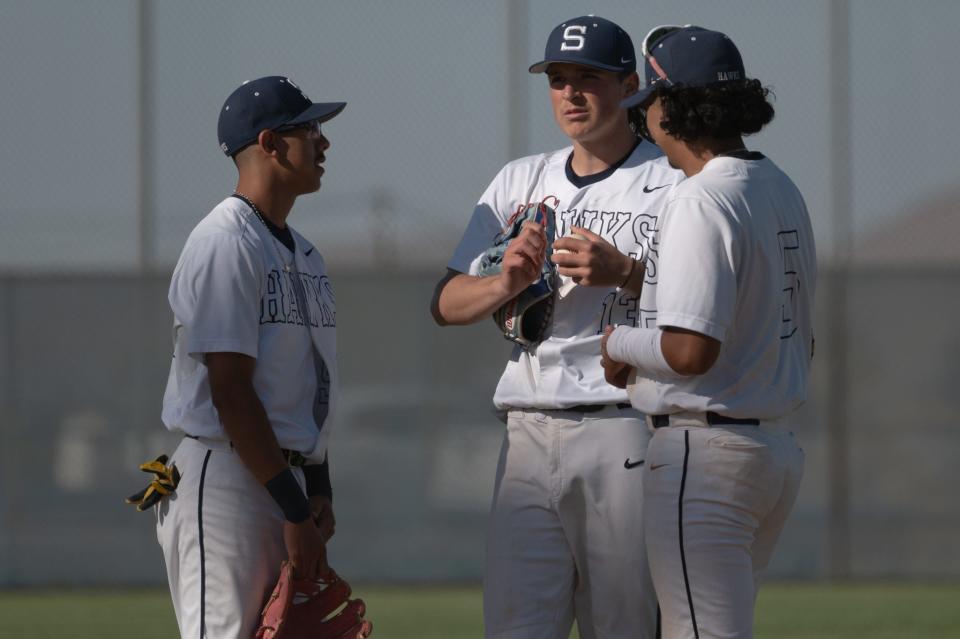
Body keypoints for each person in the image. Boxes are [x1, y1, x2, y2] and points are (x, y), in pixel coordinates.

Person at [431, 15, 682, 639]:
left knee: (624, 625)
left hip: (623, 425)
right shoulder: (520, 179)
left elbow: (702, 310)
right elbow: (446, 300)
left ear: (629, 85)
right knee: (515, 625)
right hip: (527, 431)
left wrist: (627, 272)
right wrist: (505, 283)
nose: (570, 93)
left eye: (588, 78)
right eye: (558, 79)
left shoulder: (670, 182)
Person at [602, 26, 817, 639]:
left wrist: (617, 345)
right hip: (772, 451)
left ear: (674, 106)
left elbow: (690, 350)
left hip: (707, 450)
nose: (643, 115)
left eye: (649, 101)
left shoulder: (700, 199)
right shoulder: (781, 186)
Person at [156, 76, 345, 639]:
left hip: (276, 478)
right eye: (309, 128)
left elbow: (304, 384)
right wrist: (292, 510)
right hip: (227, 481)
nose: (323, 142)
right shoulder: (224, 242)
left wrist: (318, 486)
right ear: (269, 143)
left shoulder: (304, 254)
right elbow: (231, 391)